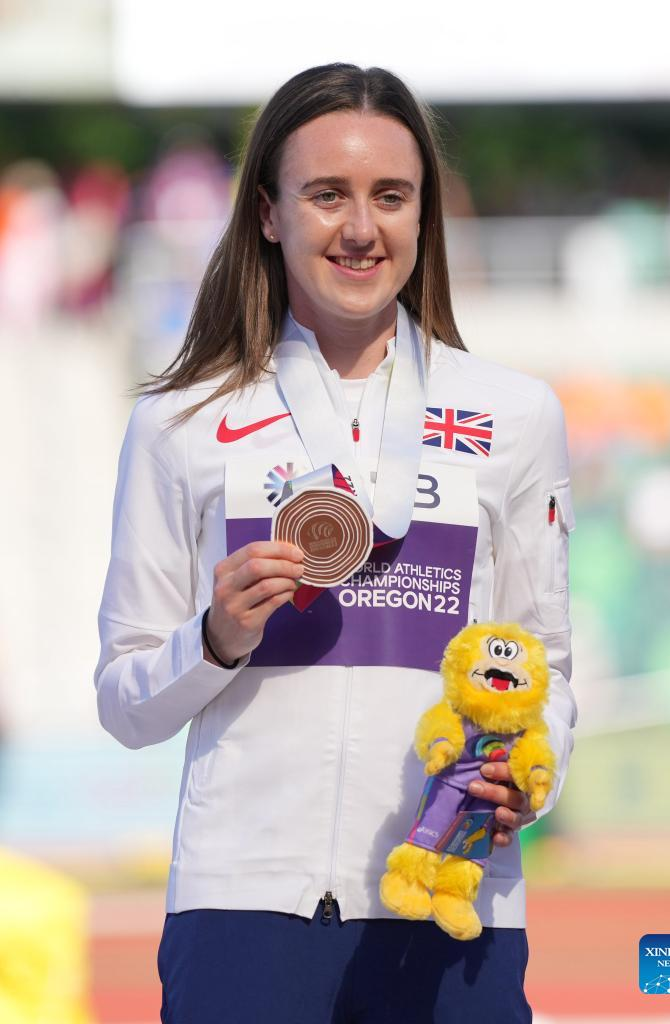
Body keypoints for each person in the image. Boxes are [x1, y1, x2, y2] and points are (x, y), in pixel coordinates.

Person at [94, 63, 577, 1023]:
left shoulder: (515, 414)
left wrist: (531, 774)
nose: (361, 228)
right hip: (242, 907)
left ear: (421, 217)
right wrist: (217, 637)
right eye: (326, 194)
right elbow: (124, 700)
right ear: (268, 214)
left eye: (390, 197)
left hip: (452, 896)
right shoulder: (182, 421)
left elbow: (547, 669)